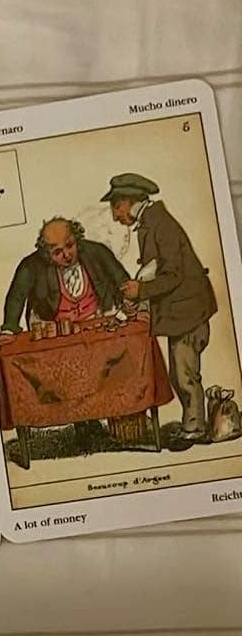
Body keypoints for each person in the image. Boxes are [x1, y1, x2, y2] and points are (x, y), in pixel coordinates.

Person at [0, 216, 131, 449]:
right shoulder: (31, 265)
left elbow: (121, 279)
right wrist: (9, 328)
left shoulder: (96, 252)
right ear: (46, 253)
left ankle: (98, 419)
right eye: (58, 252)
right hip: (55, 326)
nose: (67, 255)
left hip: (93, 320)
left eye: (70, 245)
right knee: (66, 376)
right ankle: (82, 425)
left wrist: (130, 302)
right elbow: (16, 297)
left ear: (77, 238)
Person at [105, 172, 218, 440]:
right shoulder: (152, 222)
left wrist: (141, 290)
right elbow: (154, 269)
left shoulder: (160, 224)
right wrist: (138, 293)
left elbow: (172, 275)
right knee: (180, 373)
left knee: (184, 373)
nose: (115, 215)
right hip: (182, 312)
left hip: (188, 312)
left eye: (117, 206)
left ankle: (195, 428)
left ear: (131, 200)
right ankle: (192, 424)